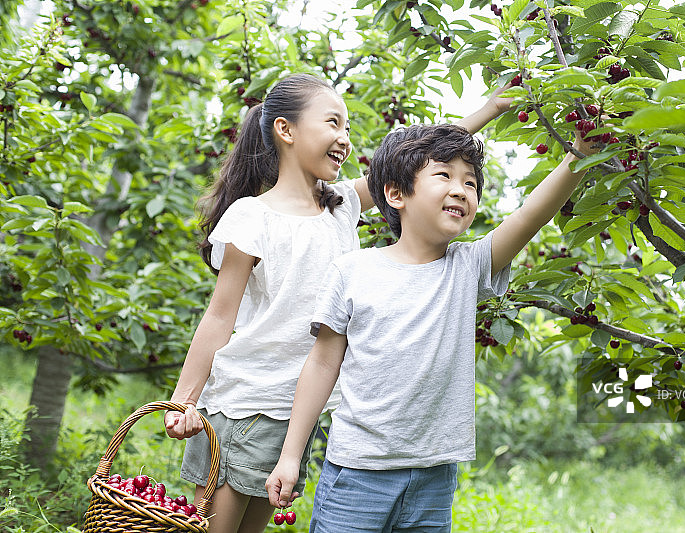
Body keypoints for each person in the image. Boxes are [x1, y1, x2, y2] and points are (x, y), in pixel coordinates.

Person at [162, 71, 513, 533]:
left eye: (347, 128)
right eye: (332, 123)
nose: (344, 138)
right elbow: (219, 316)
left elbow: (419, 161)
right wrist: (182, 400)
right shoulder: (252, 216)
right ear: (285, 131)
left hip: (298, 414)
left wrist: (490, 108)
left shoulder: (340, 205)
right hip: (249, 404)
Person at [265, 121, 599, 532]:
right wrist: (290, 456)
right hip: (356, 472)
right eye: (444, 175)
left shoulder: (467, 266)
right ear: (395, 193)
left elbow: (531, 215)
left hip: (433, 479)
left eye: (471, 182)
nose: (461, 190)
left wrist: (579, 153)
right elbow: (321, 366)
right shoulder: (352, 271)